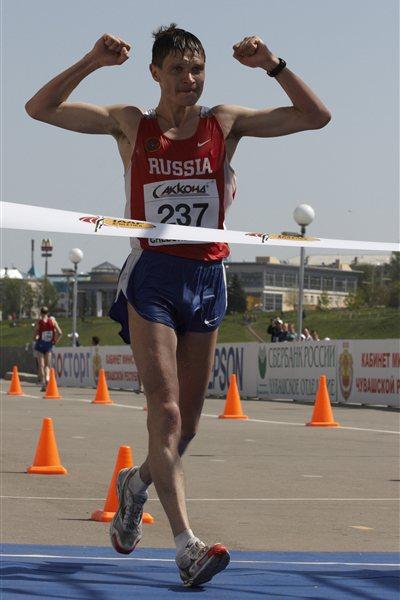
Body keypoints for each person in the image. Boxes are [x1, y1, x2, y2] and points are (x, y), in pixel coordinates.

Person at [25, 25, 330, 586]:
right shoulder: (129, 124)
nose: (189, 81)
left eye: (197, 70)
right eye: (177, 71)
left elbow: (316, 117)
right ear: (155, 74)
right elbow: (39, 108)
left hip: (208, 275)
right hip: (153, 276)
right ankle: (186, 545)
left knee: (185, 428)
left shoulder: (225, 123)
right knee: (162, 414)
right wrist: (92, 59)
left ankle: (135, 483)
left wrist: (273, 64)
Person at [33, 306, 62, 390]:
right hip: (49, 345)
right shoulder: (53, 321)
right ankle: (47, 379)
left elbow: (34, 335)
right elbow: (60, 332)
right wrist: (55, 341)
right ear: (48, 313)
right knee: (47, 365)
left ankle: (43, 384)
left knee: (41, 365)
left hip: (40, 345)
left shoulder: (39, 321)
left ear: (41, 313)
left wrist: (36, 338)